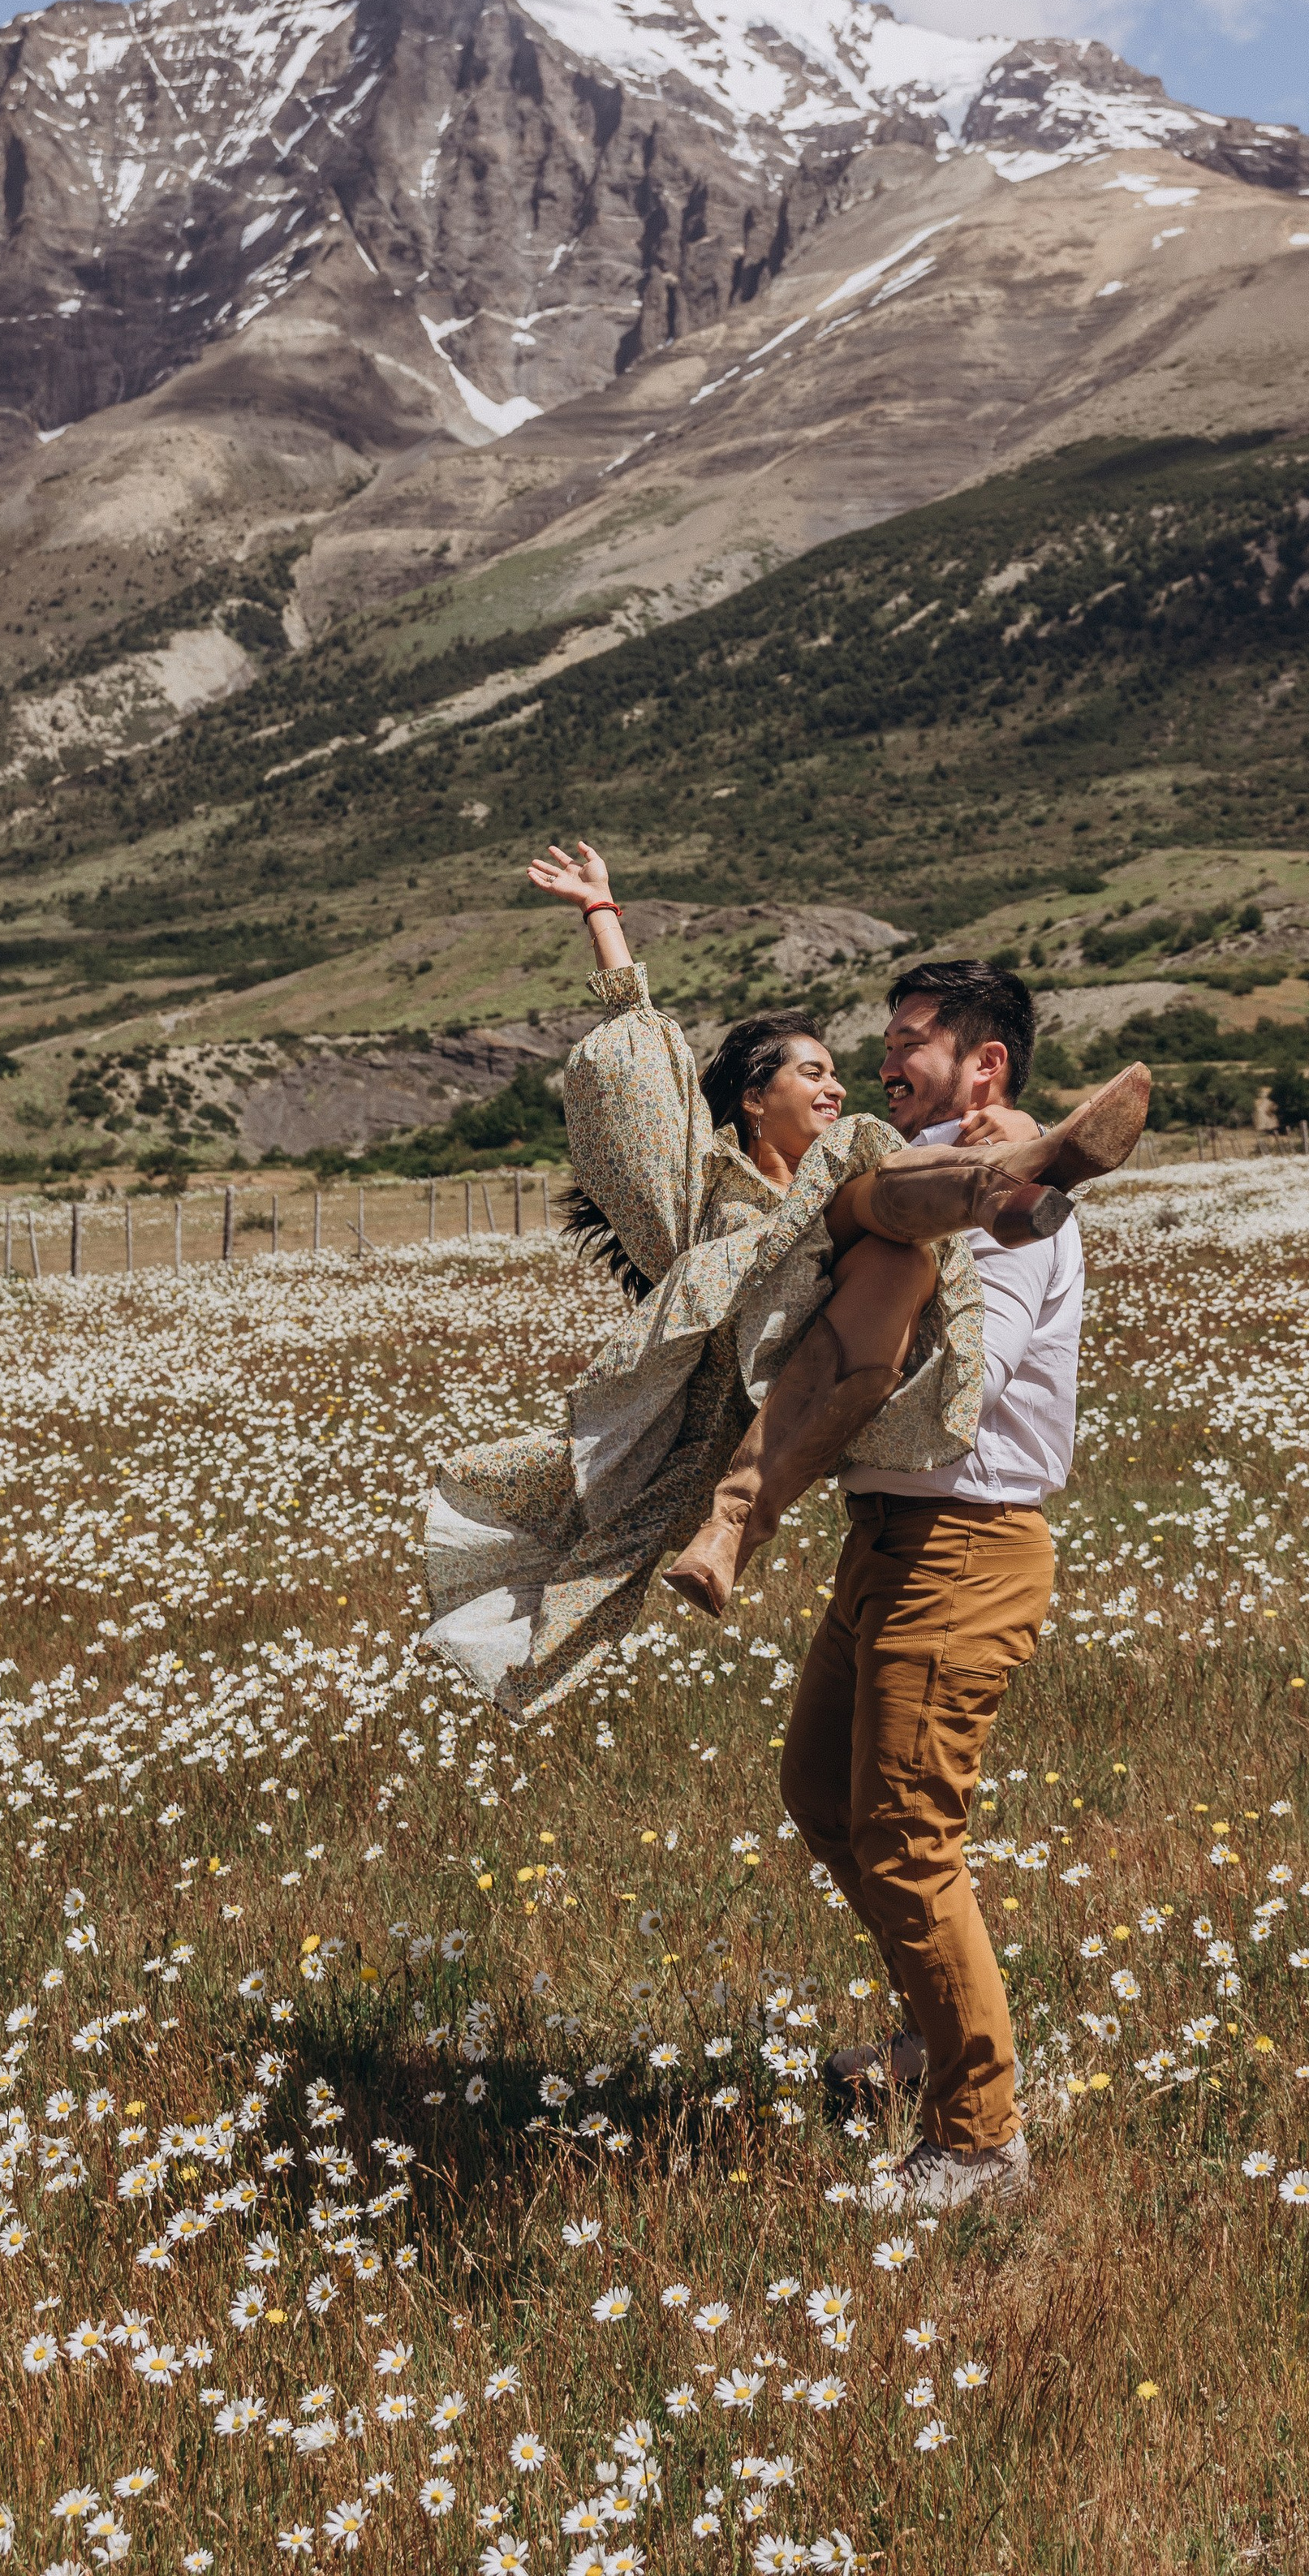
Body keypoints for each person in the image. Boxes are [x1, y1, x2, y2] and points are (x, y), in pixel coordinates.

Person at [419, 846, 1147, 1722]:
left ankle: (1017, 1172)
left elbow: (979, 1368)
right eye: (815, 1071)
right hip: (802, 1344)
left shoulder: (879, 1167)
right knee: (867, 1190)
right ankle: (1013, 1172)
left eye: (865, 1062)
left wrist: (1010, 1129)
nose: (845, 1083)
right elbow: (644, 1081)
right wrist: (600, 917)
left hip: (911, 1414)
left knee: (881, 1212)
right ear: (755, 1100)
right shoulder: (708, 1192)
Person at [780, 957, 1094, 2219]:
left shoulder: (1010, 1197)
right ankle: (934, 2036)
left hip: (963, 1546)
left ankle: (979, 2145)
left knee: (912, 1844)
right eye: (888, 1036)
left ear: (987, 1068)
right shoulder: (918, 1191)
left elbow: (974, 1368)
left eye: (913, 1040)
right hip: (886, 1544)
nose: (887, 1059)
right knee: (820, 1792)